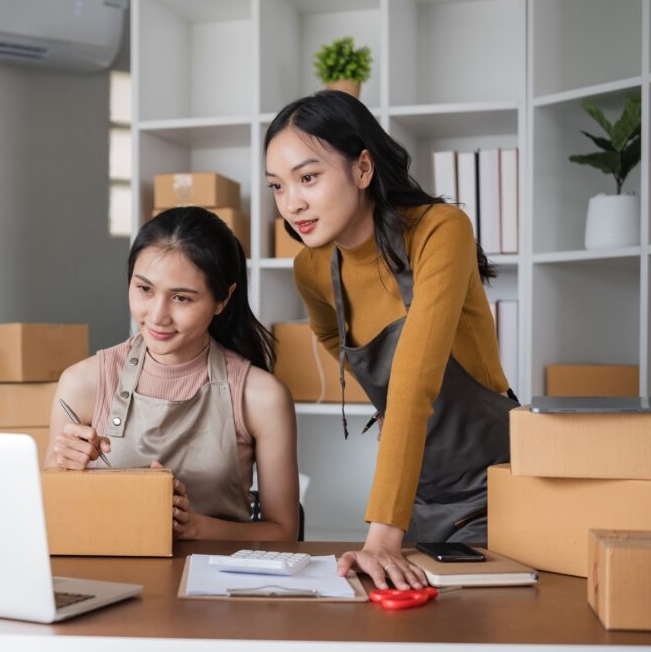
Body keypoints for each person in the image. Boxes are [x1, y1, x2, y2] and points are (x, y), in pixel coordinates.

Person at [264, 90, 516, 590]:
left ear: (362, 168)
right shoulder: (310, 268)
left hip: (496, 490)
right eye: (277, 186)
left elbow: (415, 377)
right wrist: (383, 395)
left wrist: (380, 538)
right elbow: (335, 338)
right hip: (413, 498)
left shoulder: (440, 230)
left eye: (308, 177)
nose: (292, 203)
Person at [45, 207, 299, 541]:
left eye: (181, 298)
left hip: (216, 582)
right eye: (145, 290)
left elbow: (284, 532)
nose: (157, 316)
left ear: (223, 299)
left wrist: (196, 527)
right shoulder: (82, 383)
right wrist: (62, 469)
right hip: (111, 579)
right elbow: (50, 516)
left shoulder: (261, 396)